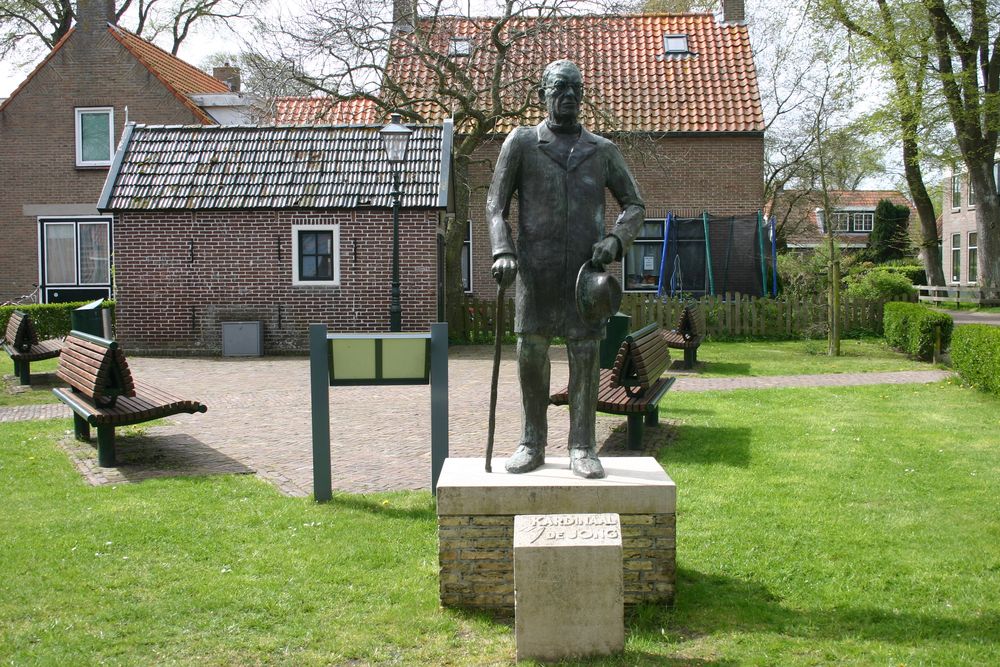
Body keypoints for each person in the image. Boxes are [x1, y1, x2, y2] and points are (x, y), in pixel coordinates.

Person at [487, 59, 645, 479]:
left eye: (575, 89)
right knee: (531, 352)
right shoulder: (520, 143)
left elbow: (635, 204)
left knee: (585, 355)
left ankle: (582, 446)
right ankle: (531, 441)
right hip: (534, 274)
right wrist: (502, 251)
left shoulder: (603, 150)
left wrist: (614, 241)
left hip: (584, 278)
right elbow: (494, 206)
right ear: (543, 95)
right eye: (559, 89)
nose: (569, 96)